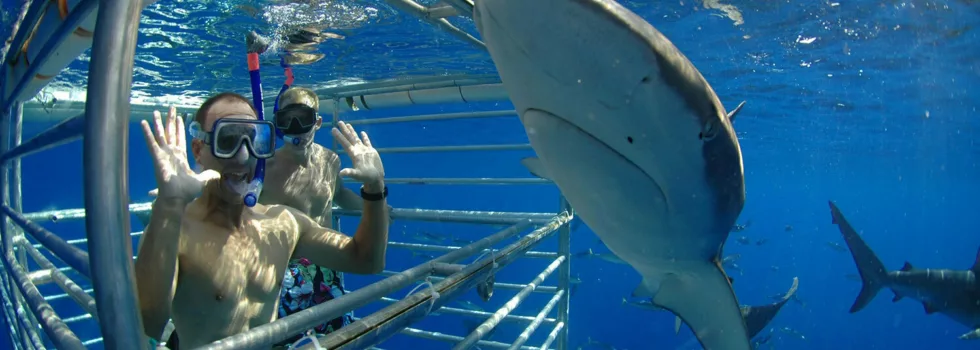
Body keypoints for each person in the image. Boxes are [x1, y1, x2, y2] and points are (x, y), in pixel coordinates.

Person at [134, 92, 390, 349]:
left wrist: (375, 187)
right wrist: (169, 205)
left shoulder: (283, 222)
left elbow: (366, 260)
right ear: (199, 150)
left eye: (256, 140)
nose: (243, 155)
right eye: (228, 140)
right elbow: (147, 325)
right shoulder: (179, 231)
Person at [261, 87, 391, 346]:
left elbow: (339, 195)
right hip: (283, 273)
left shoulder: (330, 160)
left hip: (329, 267)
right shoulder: (265, 166)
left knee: (335, 338)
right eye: (288, 119)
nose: (296, 126)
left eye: (303, 118)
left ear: (318, 122)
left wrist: (381, 207)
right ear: (279, 123)